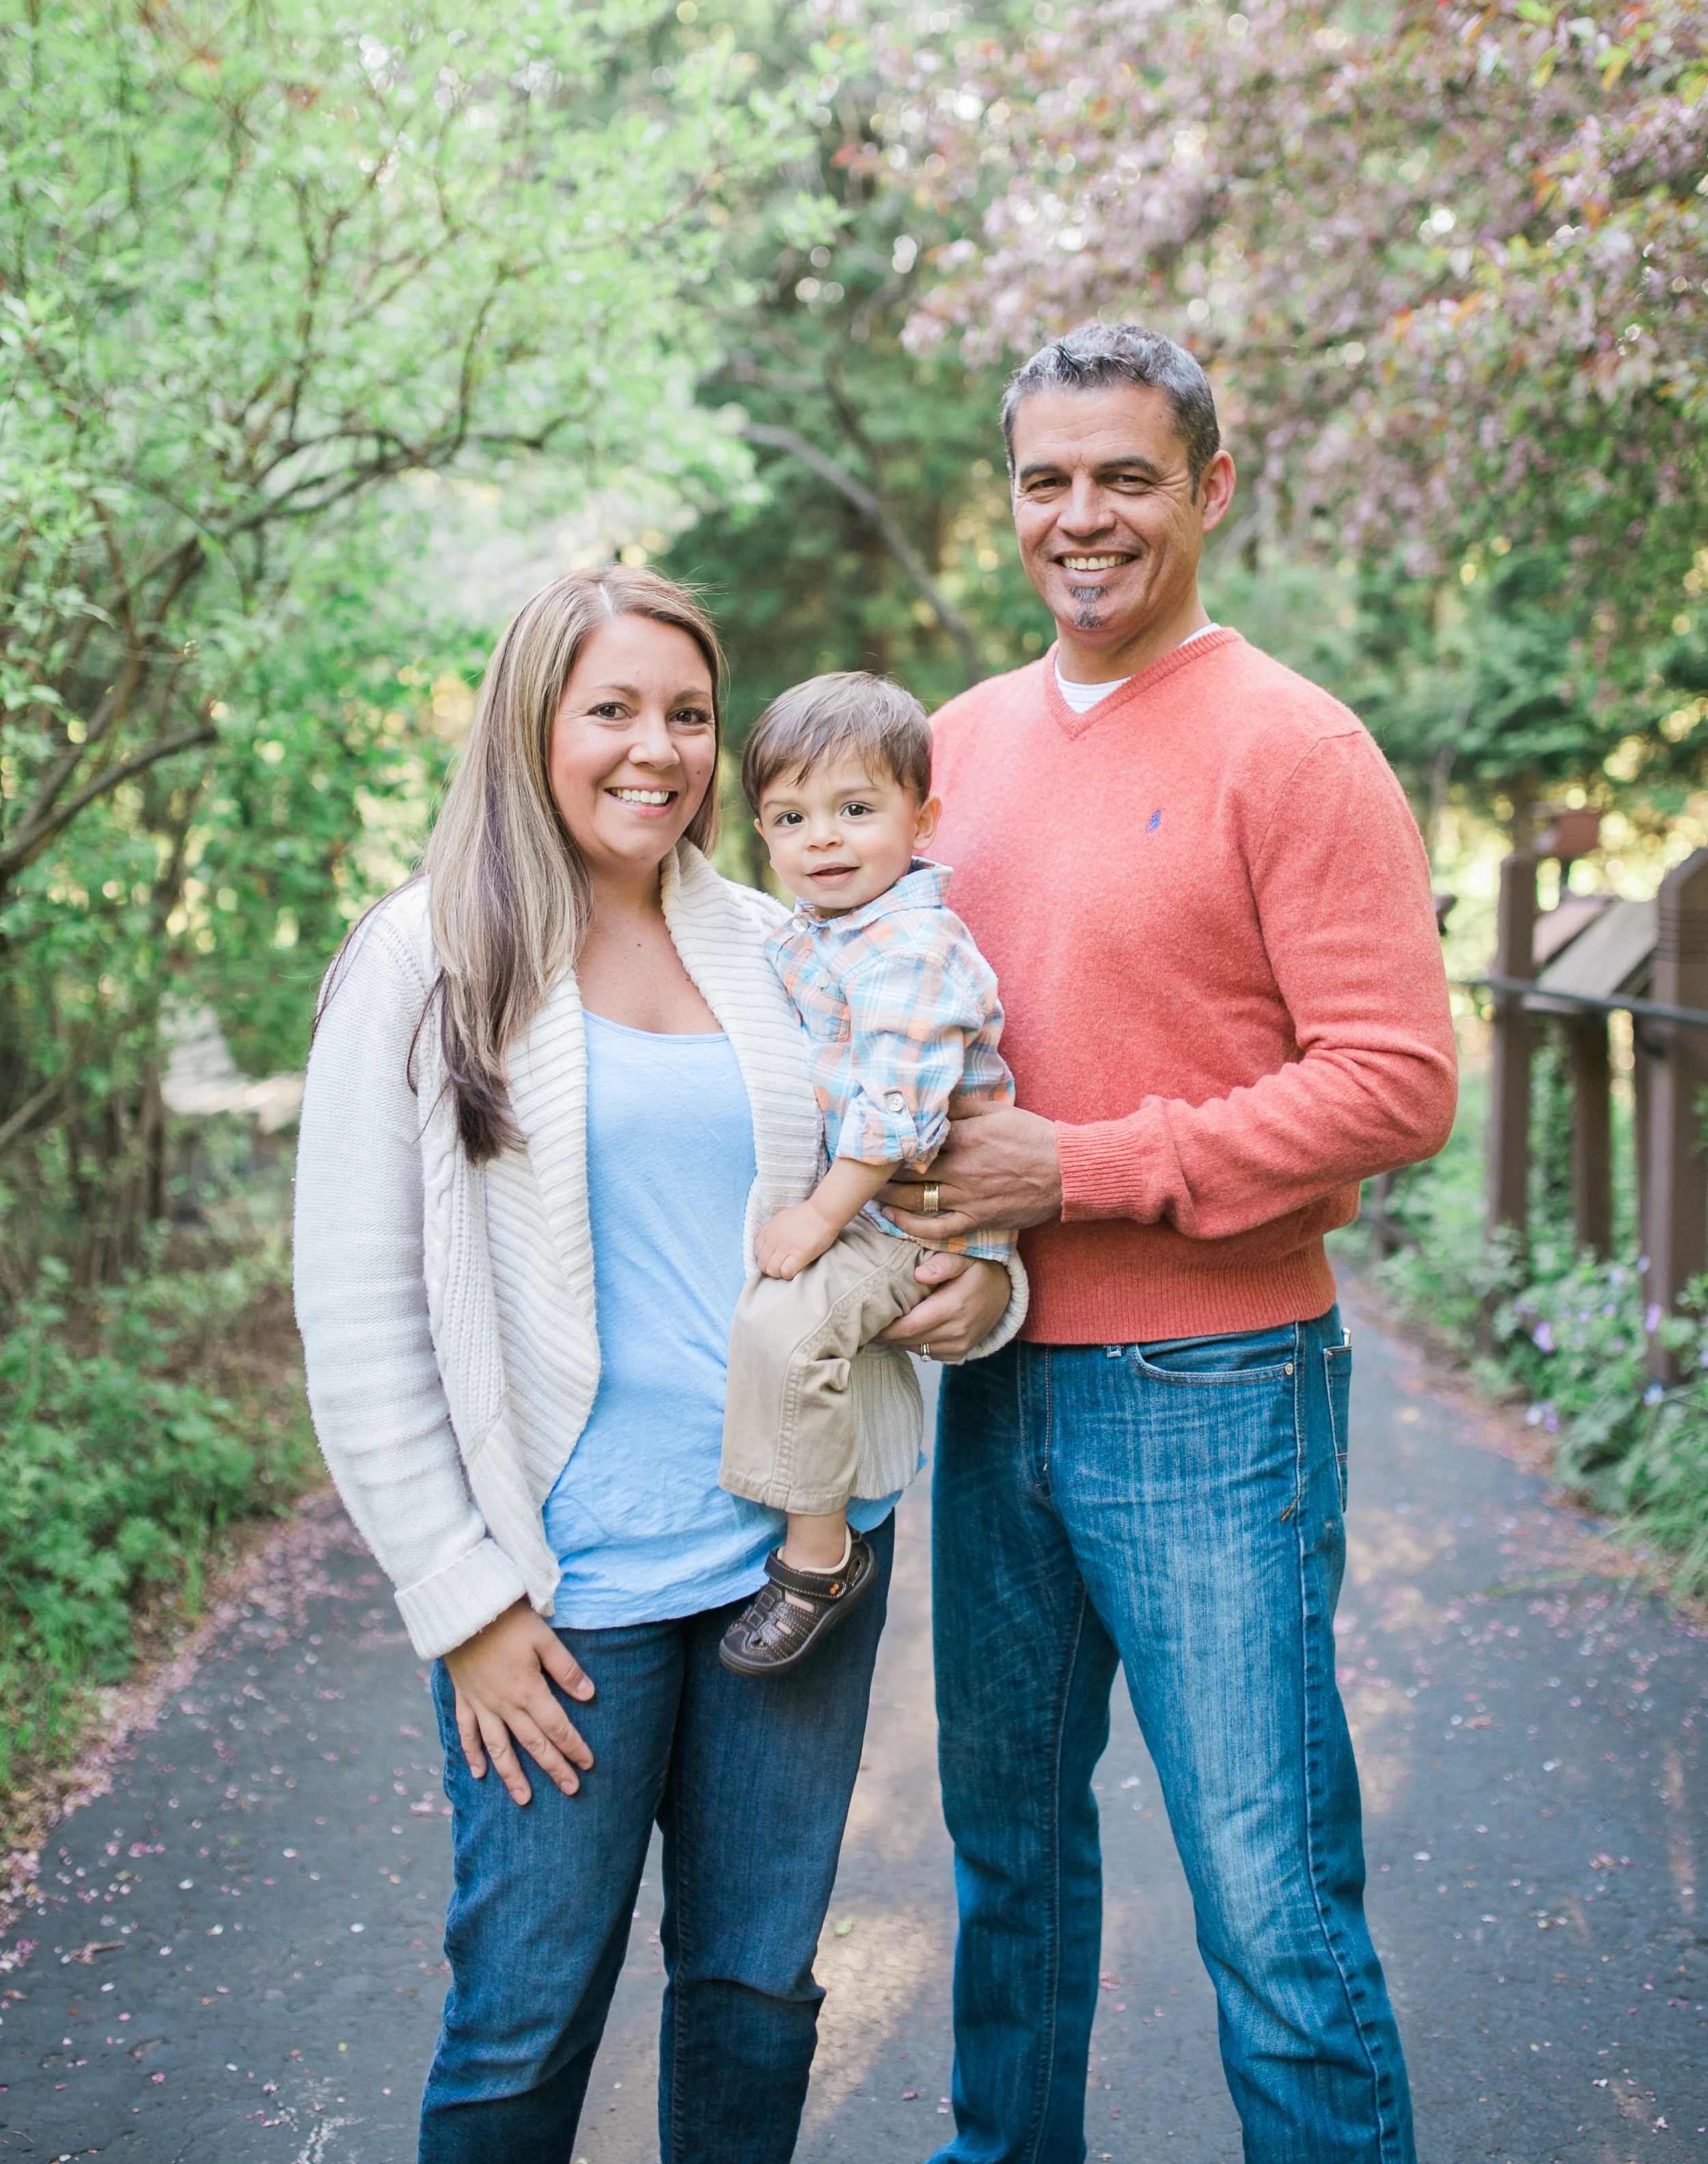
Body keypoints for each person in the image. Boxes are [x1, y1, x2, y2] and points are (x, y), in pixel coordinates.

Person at [291, 567, 1019, 2164]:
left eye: (687, 714)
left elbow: (925, 1152)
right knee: (525, 2013)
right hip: (560, 1603)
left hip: (794, 1564)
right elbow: (354, 1314)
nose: (657, 749)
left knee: (755, 1993)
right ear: (529, 724)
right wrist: (459, 1602)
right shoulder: (424, 958)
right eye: (610, 709)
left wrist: (986, 1292)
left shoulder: (784, 943)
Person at [879, 324, 1459, 2164]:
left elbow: (1395, 1081)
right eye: (1046, 477)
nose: (1081, 513)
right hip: (990, 1383)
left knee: (1268, 1897)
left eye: (1123, 474)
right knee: (1010, 1864)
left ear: (1206, 490)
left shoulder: (1294, 743)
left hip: (1216, 1386)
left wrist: (1087, 1167)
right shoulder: (948, 749)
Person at [717, 671, 1015, 1677]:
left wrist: (816, 1214)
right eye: (792, 817)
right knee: (780, 1319)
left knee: (790, 1323)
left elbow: (895, 1114)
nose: (825, 840)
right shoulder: (814, 931)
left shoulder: (912, 946)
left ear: (922, 817)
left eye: (856, 809)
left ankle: (819, 1557)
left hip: (913, 1216)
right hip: (875, 1205)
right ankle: (804, 1520)